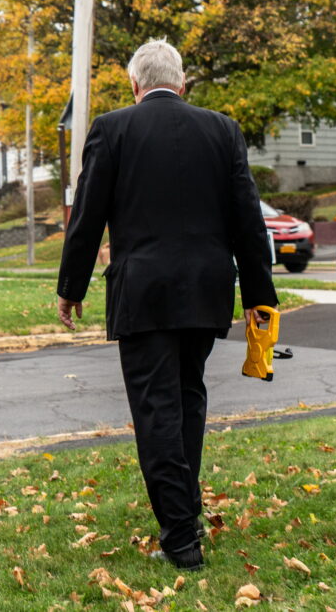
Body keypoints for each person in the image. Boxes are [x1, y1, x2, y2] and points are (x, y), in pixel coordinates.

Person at [56, 39, 278, 571]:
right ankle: (186, 516)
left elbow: (87, 216)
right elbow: (249, 219)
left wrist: (72, 286)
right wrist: (259, 298)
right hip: (206, 292)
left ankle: (181, 538)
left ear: (135, 86)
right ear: (182, 83)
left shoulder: (112, 129)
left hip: (143, 293)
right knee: (187, 401)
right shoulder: (222, 130)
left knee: (158, 409)